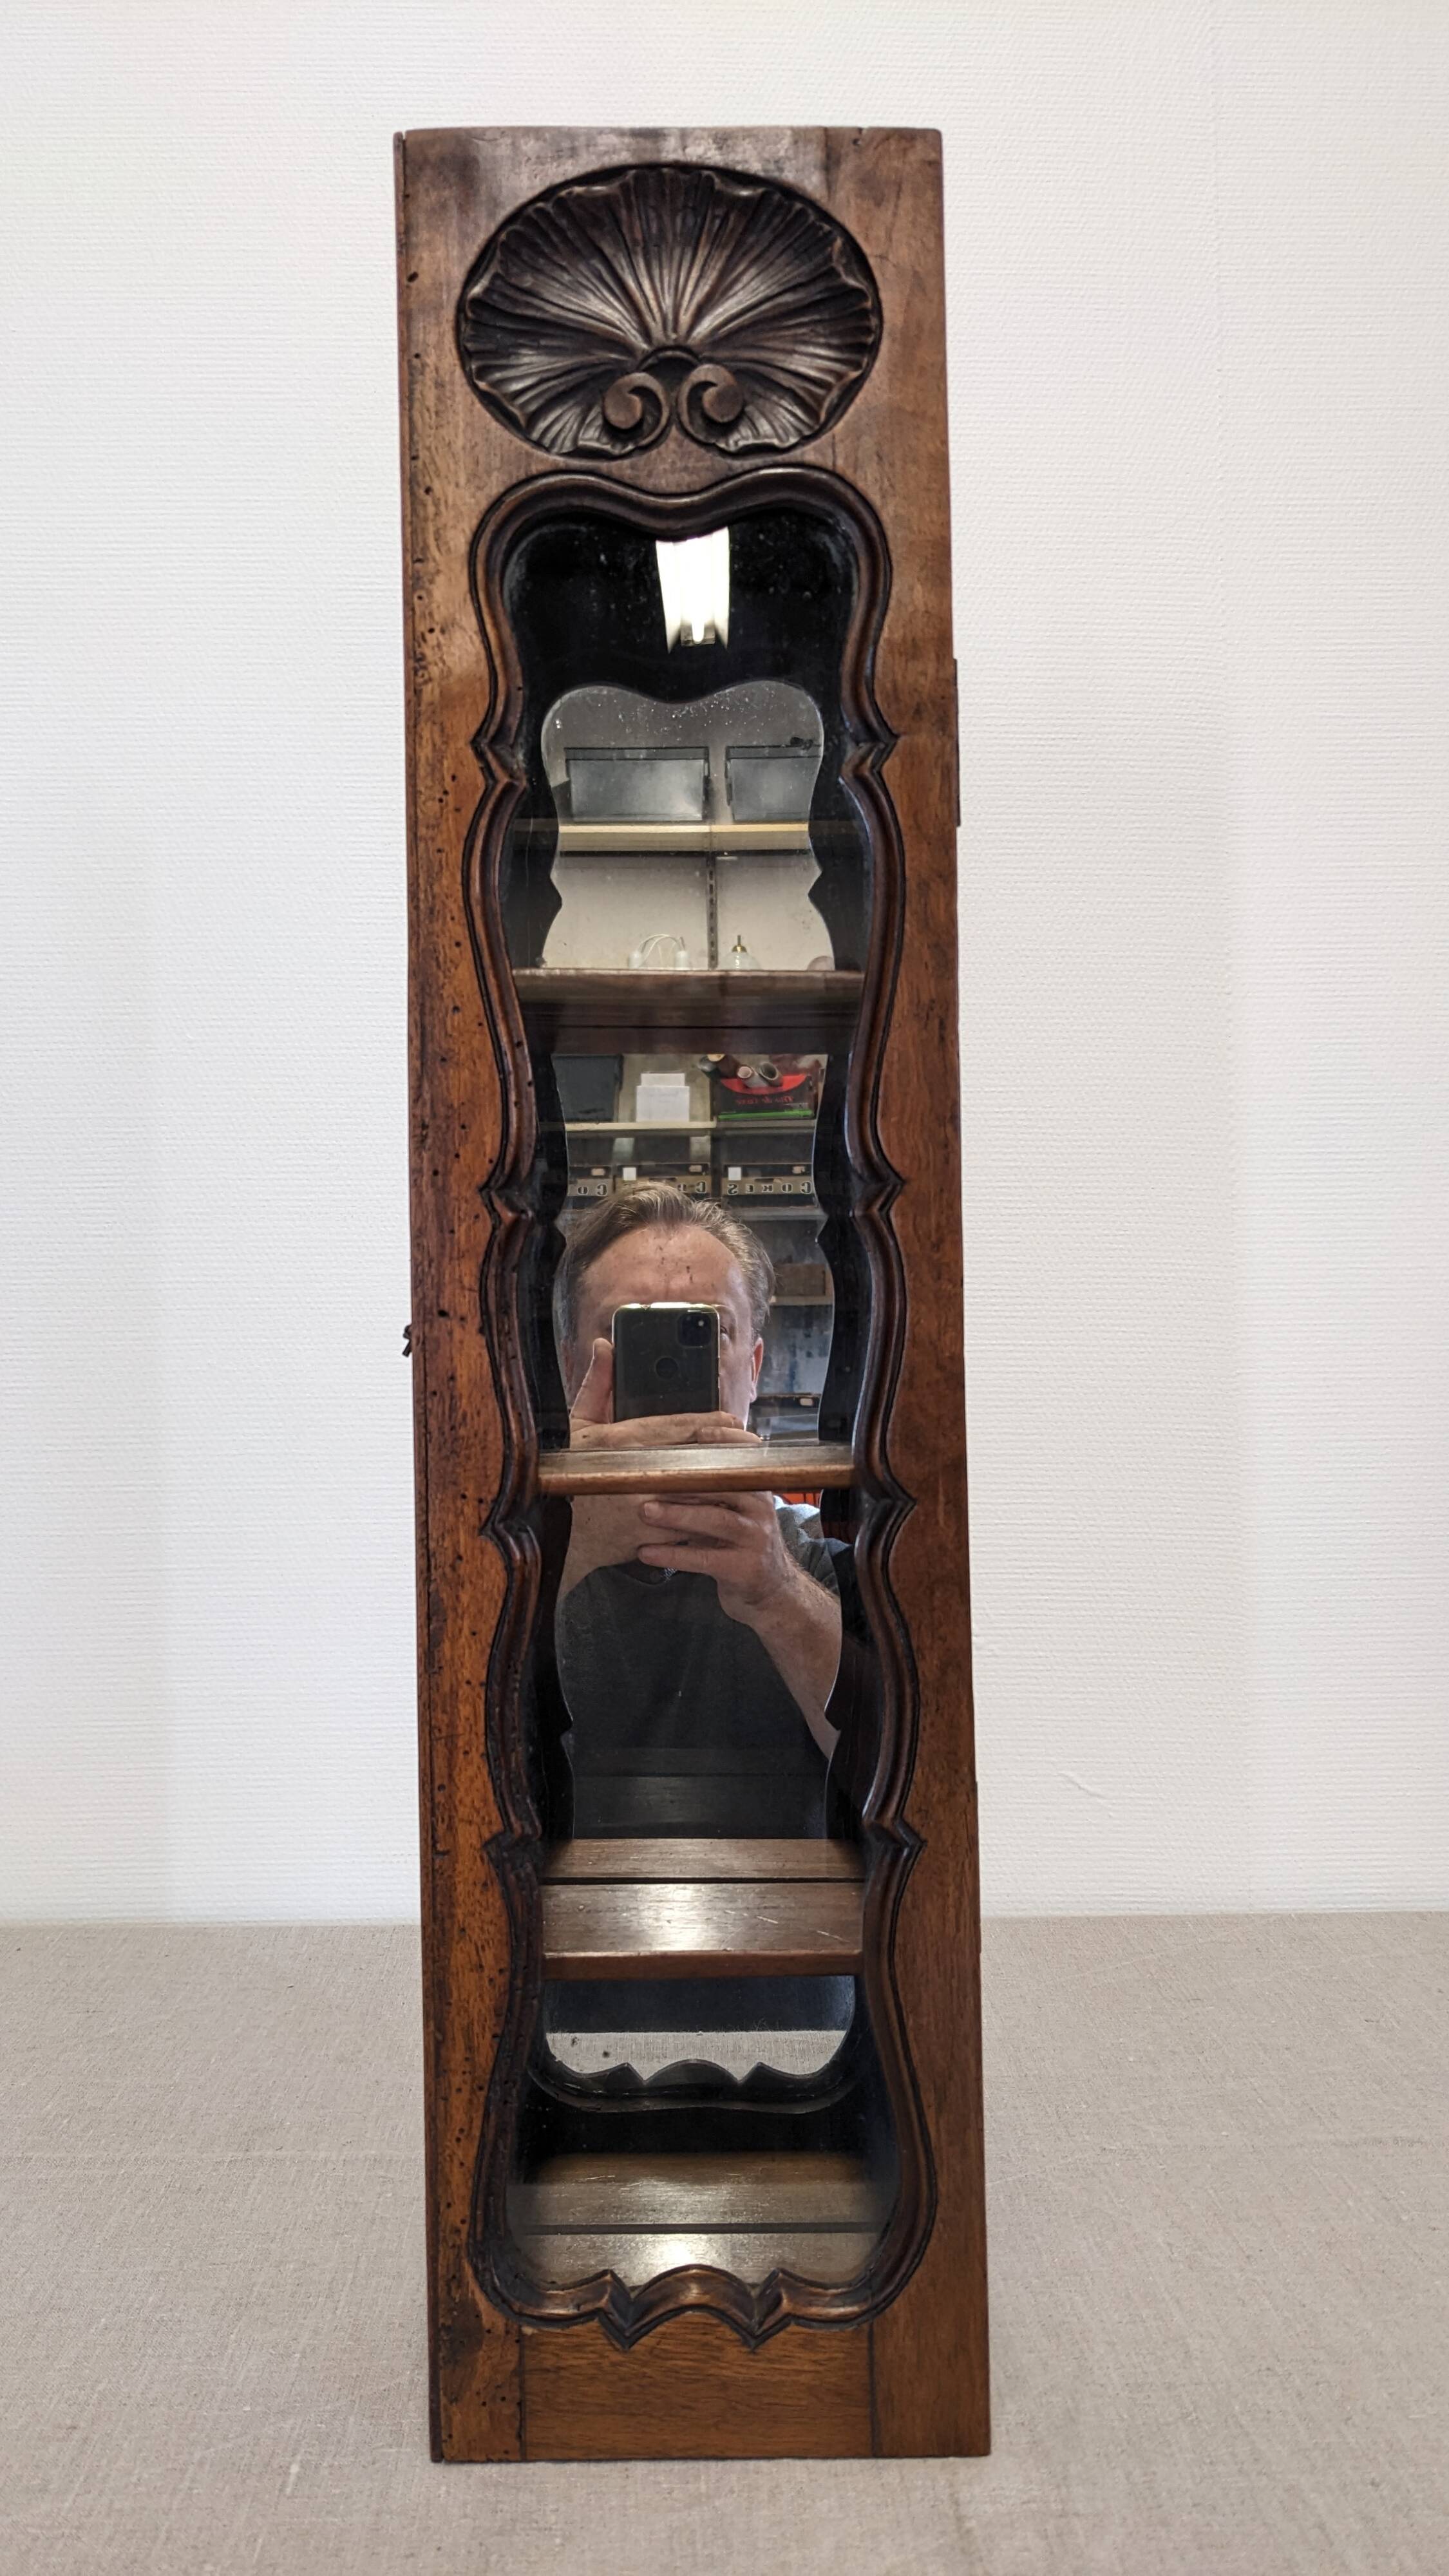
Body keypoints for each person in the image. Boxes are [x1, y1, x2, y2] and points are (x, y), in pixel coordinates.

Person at [553, 1182, 848, 1845]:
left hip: (781, 1905)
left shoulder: (812, 1554)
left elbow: (910, 1771)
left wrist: (776, 1591)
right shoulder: (508, 1557)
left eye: (706, 1331)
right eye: (626, 1332)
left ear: (755, 1368)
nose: (667, 1366)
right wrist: (563, 1551)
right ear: (570, 1365)